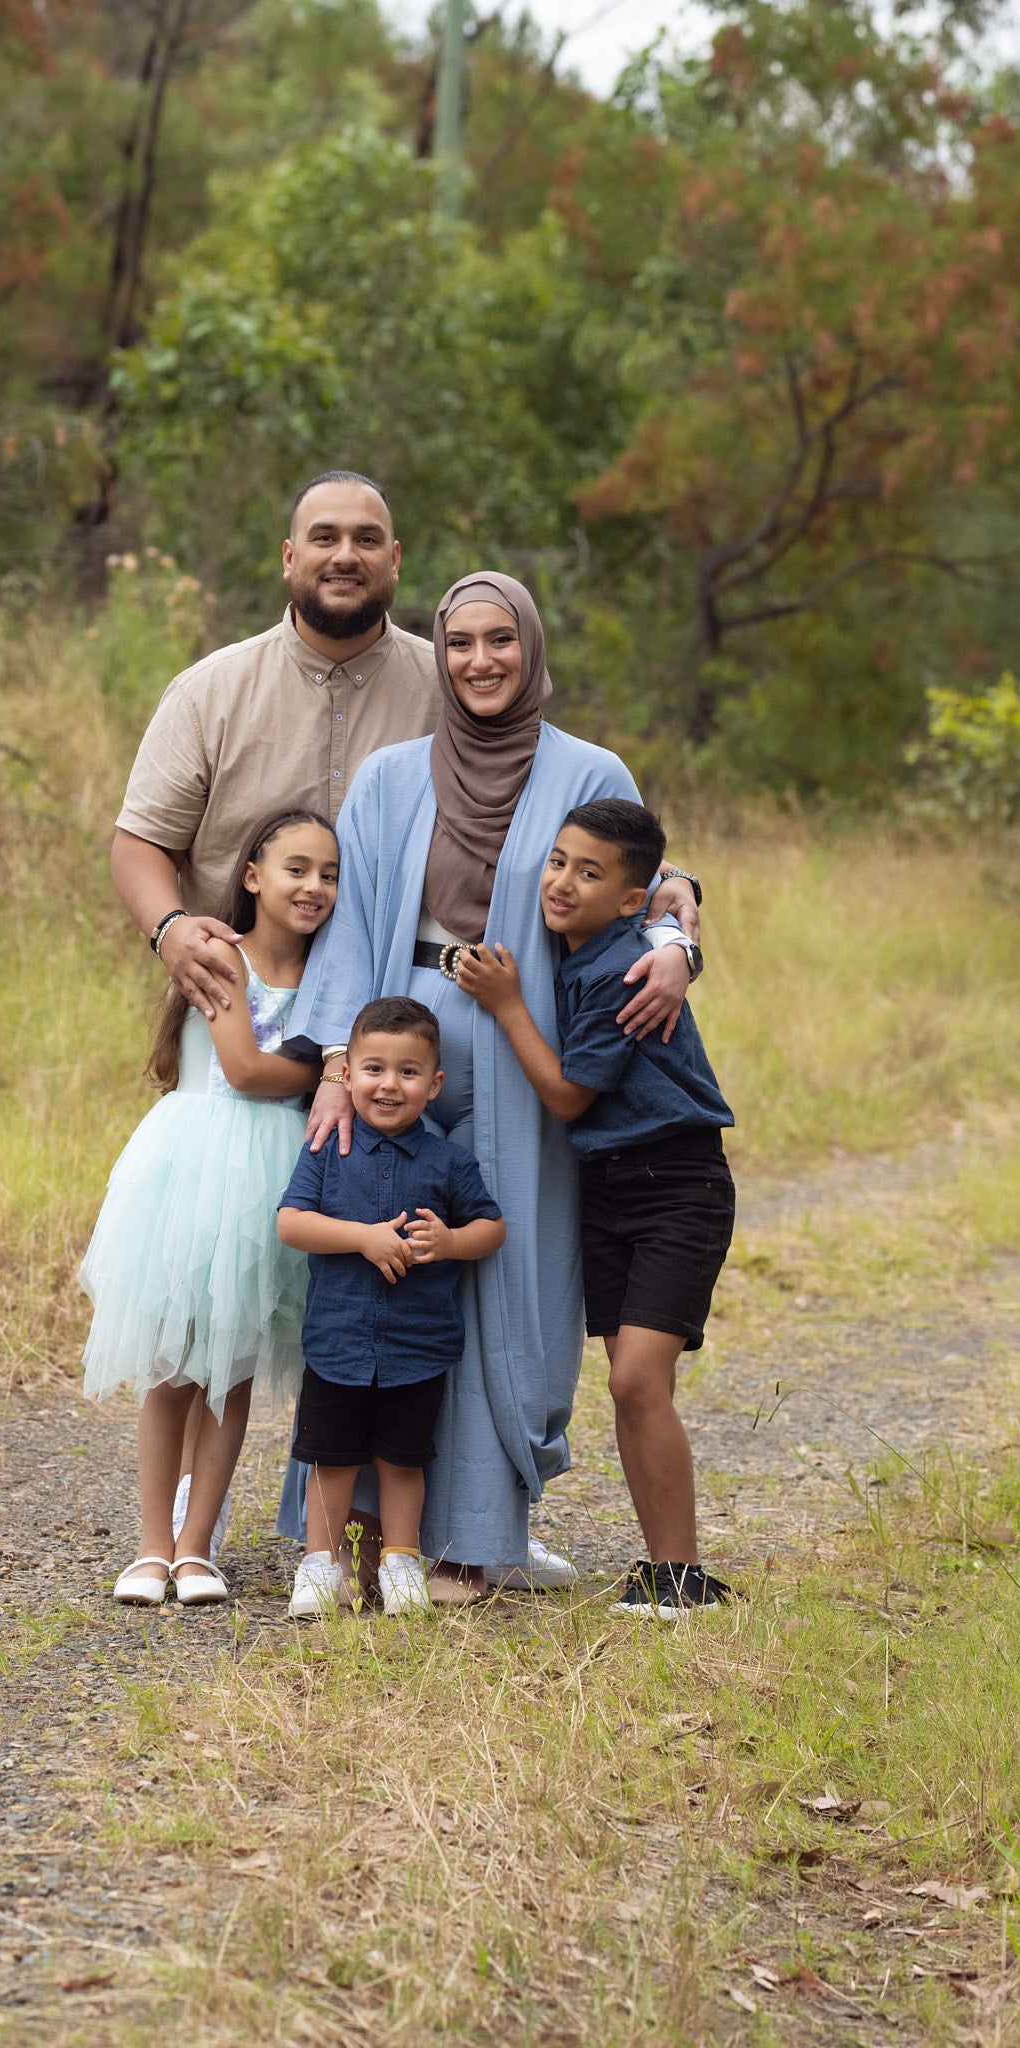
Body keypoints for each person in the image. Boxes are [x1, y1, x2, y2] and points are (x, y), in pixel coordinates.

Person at [278, 572, 702, 1601]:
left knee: (512, 1274)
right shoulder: (387, 777)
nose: (479, 660)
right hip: (399, 1033)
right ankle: (362, 1530)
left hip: (533, 1038)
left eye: (500, 639)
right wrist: (338, 1065)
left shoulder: (591, 766)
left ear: (531, 647)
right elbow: (343, 930)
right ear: (439, 651)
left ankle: (477, 1532)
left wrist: (682, 938)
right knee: (376, 1267)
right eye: (459, 640)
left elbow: (640, 884)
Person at [110, 469, 440, 1557]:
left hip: (404, 1047)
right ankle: (180, 1537)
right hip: (240, 1019)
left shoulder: (449, 684)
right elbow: (141, 839)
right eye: (324, 537)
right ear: (289, 557)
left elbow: (563, 801)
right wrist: (171, 930)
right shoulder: (212, 687)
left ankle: (383, 1516)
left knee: (387, 1272)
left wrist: (668, 895)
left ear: (396, 562)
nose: (345, 554)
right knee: (224, 1305)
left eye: (368, 538)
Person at [455, 799, 736, 1618]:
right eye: (557, 861)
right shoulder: (577, 947)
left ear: (627, 898)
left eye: (589, 872)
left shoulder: (625, 967)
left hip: (675, 1184)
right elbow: (668, 899)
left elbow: (571, 1097)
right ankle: (665, 1571)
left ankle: (685, 1579)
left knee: (636, 1376)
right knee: (630, 1387)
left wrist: (506, 1004)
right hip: (607, 1190)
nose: (562, 882)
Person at [79, 810, 339, 1606]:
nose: (314, 887)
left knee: (232, 1372)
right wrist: (336, 1069)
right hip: (196, 1172)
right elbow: (247, 1069)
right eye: (296, 868)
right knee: (172, 1367)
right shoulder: (218, 955)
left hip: (273, 1181)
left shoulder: (331, 972)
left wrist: (339, 1062)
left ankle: (197, 1548)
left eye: (329, 875)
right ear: (253, 875)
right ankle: (150, 1546)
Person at [277, 998, 506, 1619]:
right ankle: (321, 1565)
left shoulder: (449, 1161)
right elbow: (291, 1223)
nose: (389, 1085)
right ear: (346, 1074)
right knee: (332, 1459)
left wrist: (452, 1243)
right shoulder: (328, 1149)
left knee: (403, 1459)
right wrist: (363, 1237)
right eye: (374, 1068)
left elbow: (492, 1227)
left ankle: (400, 1561)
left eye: (408, 1072)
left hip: (417, 1342)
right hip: (338, 1339)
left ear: (433, 1087)